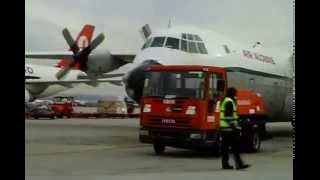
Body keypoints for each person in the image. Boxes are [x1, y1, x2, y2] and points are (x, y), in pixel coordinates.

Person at [219, 87, 250, 170]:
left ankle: (225, 165)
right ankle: (239, 164)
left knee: (225, 148)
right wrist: (235, 127)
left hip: (224, 129)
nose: (236, 95)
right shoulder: (229, 102)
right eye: (235, 94)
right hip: (229, 129)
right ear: (233, 94)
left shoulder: (225, 100)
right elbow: (228, 116)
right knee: (235, 147)